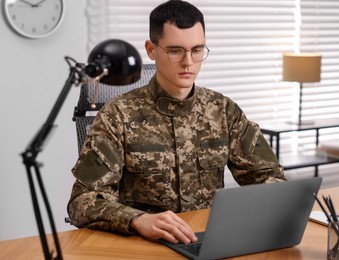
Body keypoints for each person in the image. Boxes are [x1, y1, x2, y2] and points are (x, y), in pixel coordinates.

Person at [67, 0, 286, 245]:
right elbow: (83, 201)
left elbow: (269, 179)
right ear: (151, 49)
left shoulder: (223, 110)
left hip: (207, 242)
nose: (188, 62)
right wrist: (137, 219)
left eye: (197, 50)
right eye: (175, 50)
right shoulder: (118, 115)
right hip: (144, 245)